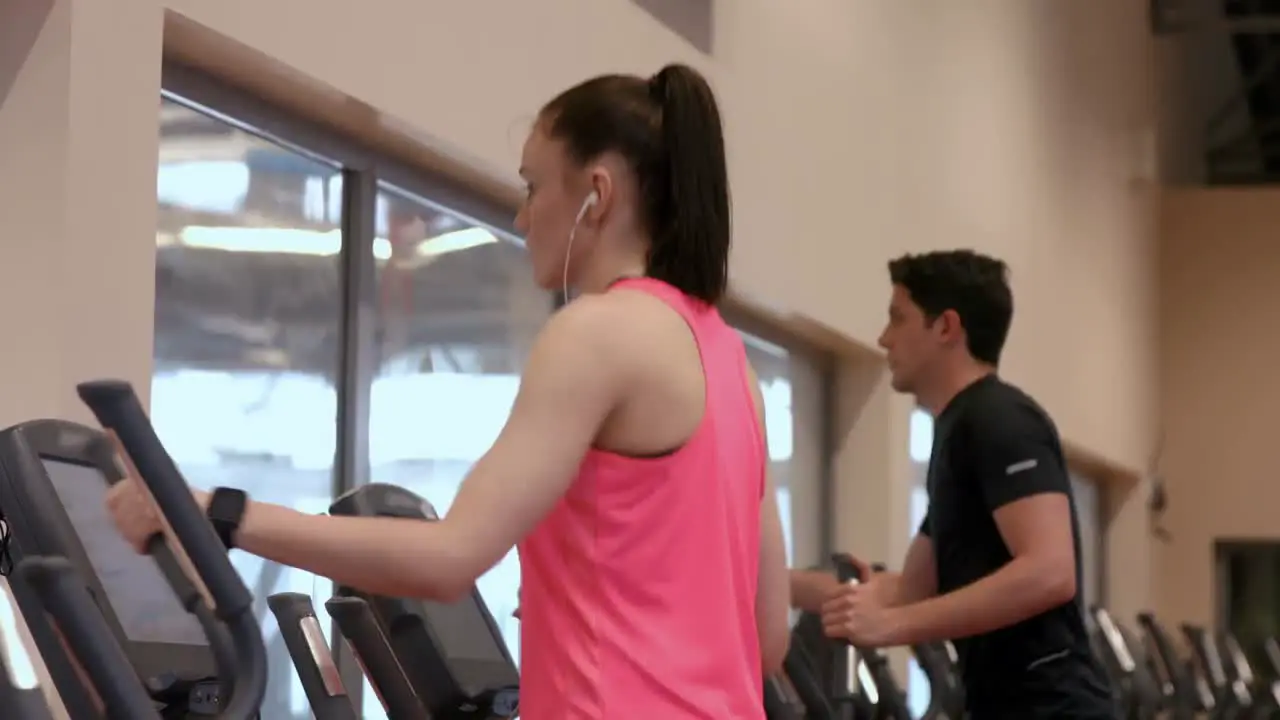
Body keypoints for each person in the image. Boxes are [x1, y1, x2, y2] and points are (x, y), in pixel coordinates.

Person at [106, 64, 791, 720]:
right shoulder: (732, 363)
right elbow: (765, 638)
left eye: (532, 187)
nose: (522, 218)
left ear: (598, 195)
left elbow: (450, 561)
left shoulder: (598, 333)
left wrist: (221, 514)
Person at [792, 251, 1116, 718]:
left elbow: (1050, 573)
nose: (884, 339)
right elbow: (910, 588)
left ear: (946, 327)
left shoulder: (1000, 418)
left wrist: (892, 625)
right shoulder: (953, 433)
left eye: (897, 319)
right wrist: (765, 582)